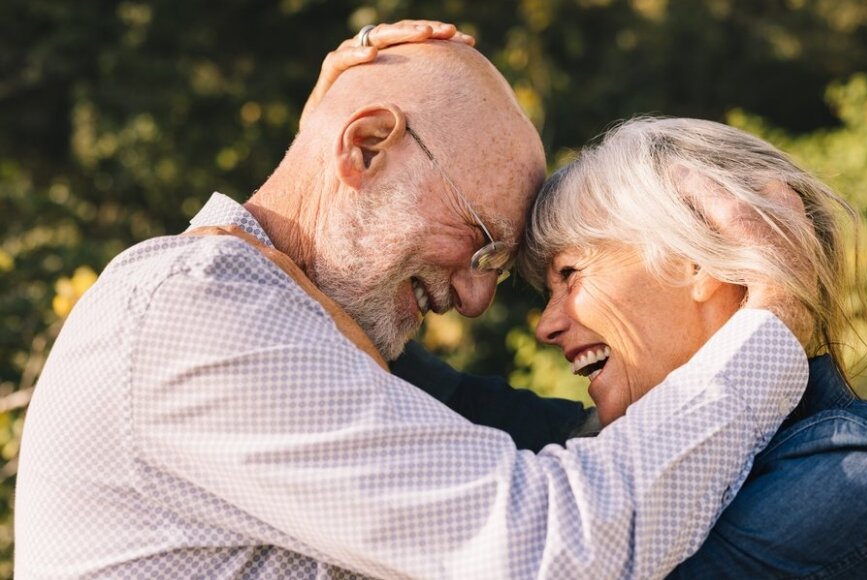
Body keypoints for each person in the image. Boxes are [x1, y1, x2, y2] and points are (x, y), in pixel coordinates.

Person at [16, 22, 811, 579]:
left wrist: (329, 123)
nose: (473, 298)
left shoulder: (265, 306)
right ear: (366, 148)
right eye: (481, 243)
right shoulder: (195, 315)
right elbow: (554, 546)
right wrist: (774, 314)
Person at [517, 117, 867, 576]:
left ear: (696, 260)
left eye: (570, 274)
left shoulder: (856, 468)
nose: (547, 326)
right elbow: (451, 409)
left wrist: (775, 296)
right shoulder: (618, 450)